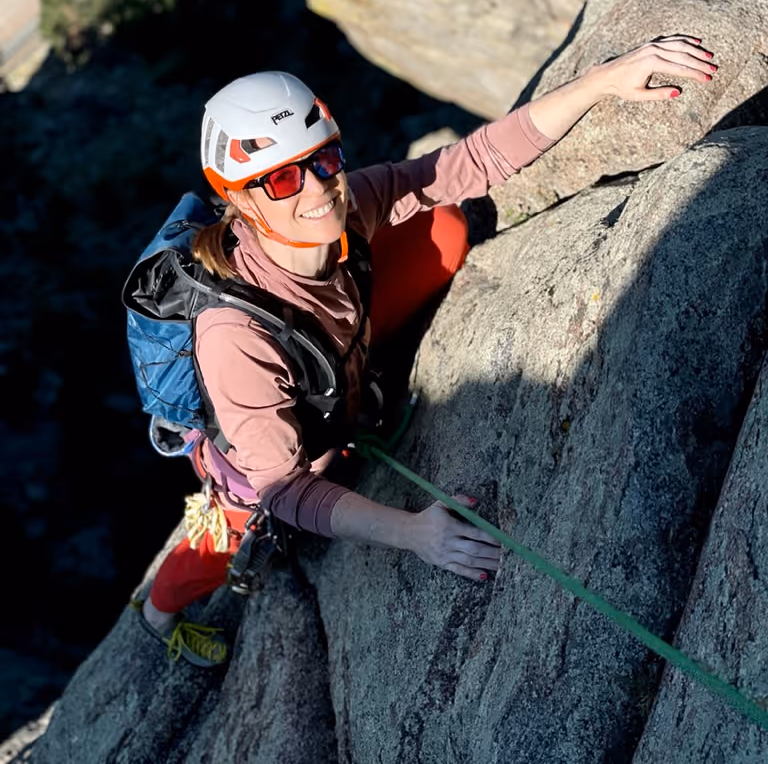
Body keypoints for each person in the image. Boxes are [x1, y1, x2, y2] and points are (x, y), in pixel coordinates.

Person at [134, 35, 716, 665]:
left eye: (323, 159)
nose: (315, 189)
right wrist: (413, 531)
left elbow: (471, 162)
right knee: (226, 537)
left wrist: (602, 81)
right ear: (239, 197)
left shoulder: (347, 203)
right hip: (260, 454)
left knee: (444, 221)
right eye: (280, 178)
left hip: (329, 363)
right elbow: (284, 489)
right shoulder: (234, 338)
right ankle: (157, 614)